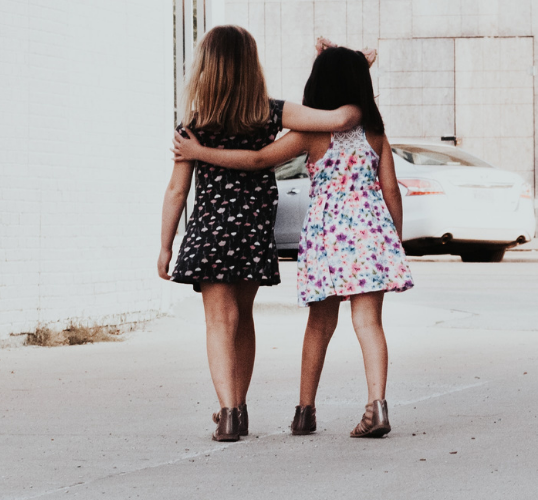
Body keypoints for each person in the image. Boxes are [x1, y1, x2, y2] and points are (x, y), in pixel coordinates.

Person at [173, 46, 412, 438]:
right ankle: (377, 406)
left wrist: (200, 153)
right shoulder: (375, 134)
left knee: (319, 324)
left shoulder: (310, 135)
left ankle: (305, 411)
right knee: (369, 323)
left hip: (328, 240)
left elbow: (256, 160)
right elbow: (391, 191)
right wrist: (394, 241)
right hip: (371, 237)